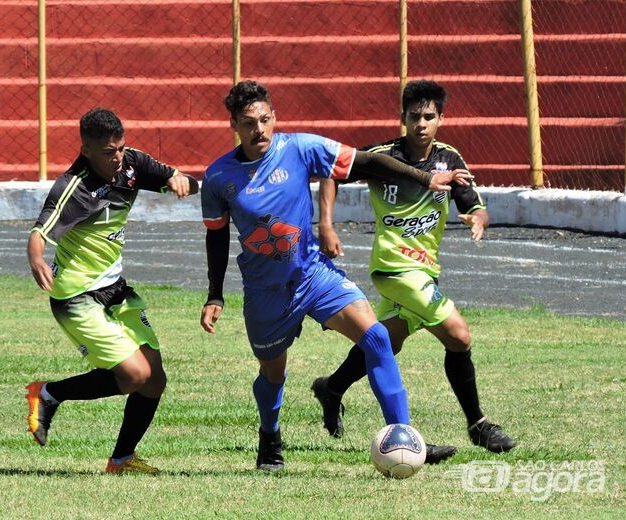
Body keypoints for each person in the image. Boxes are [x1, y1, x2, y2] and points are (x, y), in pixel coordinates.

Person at [199, 80, 471, 471]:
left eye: (264, 120)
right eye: (248, 123)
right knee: (273, 374)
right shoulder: (218, 177)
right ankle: (270, 437)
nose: (259, 130)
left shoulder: (300, 148)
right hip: (266, 291)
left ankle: (405, 437)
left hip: (313, 275)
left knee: (376, 336)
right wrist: (214, 294)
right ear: (234, 126)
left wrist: (426, 178)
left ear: (274, 117)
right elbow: (216, 235)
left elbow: (368, 162)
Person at [314, 79, 517, 457]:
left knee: (386, 341)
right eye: (414, 116)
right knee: (458, 334)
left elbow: (473, 202)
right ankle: (479, 425)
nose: (421, 124)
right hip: (393, 269)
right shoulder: (383, 156)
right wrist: (326, 224)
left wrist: (478, 217)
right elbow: (331, 172)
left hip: (425, 270)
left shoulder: (449, 159)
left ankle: (332, 387)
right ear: (403, 118)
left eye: (429, 116)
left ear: (441, 119)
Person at [25, 107, 198, 474]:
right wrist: (36, 257)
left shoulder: (131, 164)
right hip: (76, 296)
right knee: (134, 376)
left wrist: (181, 179)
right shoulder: (75, 186)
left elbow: (171, 176)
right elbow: (40, 231)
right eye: (108, 152)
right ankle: (48, 394)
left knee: (155, 380)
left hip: (115, 290)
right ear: (86, 150)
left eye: (120, 147)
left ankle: (121, 460)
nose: (117, 157)